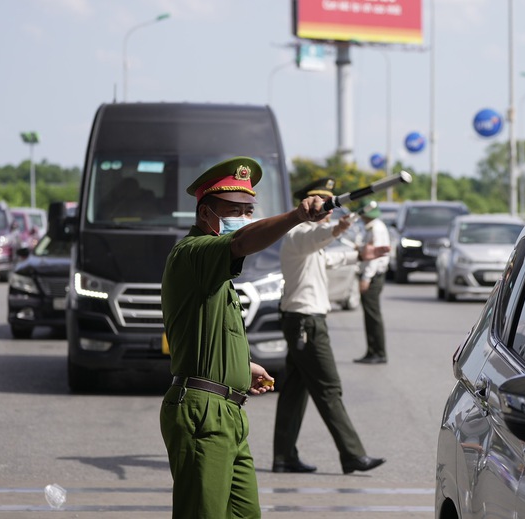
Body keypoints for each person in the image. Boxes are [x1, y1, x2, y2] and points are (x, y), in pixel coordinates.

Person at [160, 156, 329, 519]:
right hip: (202, 413)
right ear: (206, 213)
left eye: (249, 209)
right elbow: (240, 242)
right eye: (235, 209)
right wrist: (297, 216)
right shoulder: (194, 253)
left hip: (228, 412)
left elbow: (211, 330)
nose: (244, 217)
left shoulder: (216, 272)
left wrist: (242, 366)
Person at [273, 178, 389, 475]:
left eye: (329, 205)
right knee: (328, 388)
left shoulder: (308, 238)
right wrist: (337, 229)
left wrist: (360, 255)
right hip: (306, 323)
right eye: (321, 205)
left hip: (301, 320)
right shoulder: (300, 233)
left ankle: (284, 457)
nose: (326, 211)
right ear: (307, 206)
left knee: (295, 391)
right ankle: (352, 454)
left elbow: (326, 258)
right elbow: (320, 240)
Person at [353, 202, 390, 364]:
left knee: (372, 315)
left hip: (373, 276)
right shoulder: (371, 227)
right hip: (373, 275)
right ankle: (372, 351)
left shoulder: (376, 228)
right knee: (370, 315)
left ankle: (378, 352)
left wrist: (366, 278)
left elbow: (374, 257)